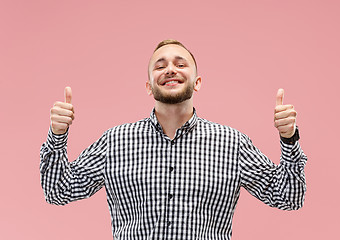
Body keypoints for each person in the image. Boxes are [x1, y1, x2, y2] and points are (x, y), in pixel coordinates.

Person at [40, 39, 307, 240]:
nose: (170, 70)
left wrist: (289, 138)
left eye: (180, 64)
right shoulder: (115, 141)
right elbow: (58, 191)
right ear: (149, 86)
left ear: (197, 82)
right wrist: (58, 135)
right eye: (160, 66)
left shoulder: (231, 143)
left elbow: (288, 196)